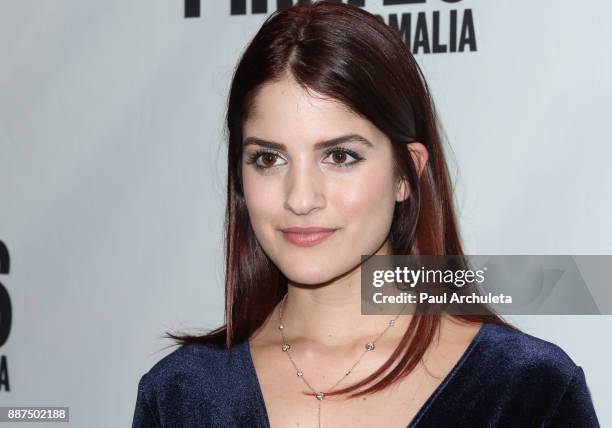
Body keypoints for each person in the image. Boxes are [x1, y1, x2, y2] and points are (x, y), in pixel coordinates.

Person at [131, 2, 599, 427]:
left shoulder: (527, 390)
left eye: (339, 156)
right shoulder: (180, 396)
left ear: (405, 174)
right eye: (269, 159)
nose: (301, 198)